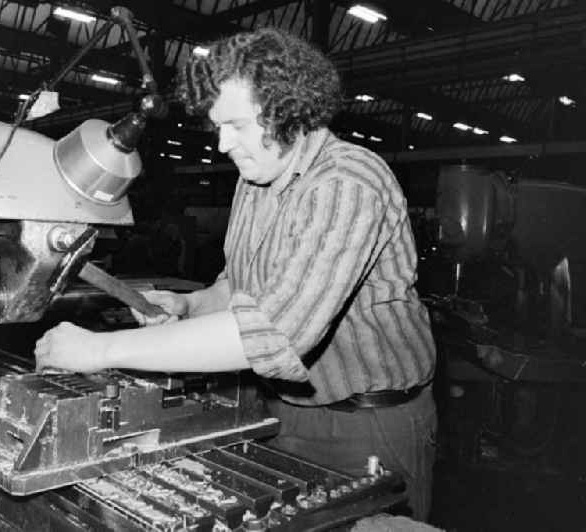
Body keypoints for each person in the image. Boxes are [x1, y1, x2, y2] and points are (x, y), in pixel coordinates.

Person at [35, 27, 437, 521]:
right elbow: (239, 288)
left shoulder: (347, 183)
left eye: (238, 126)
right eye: (217, 126)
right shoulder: (256, 180)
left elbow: (274, 333)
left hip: (370, 423)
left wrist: (100, 351)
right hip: (282, 413)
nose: (223, 144)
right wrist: (188, 306)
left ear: (290, 110)